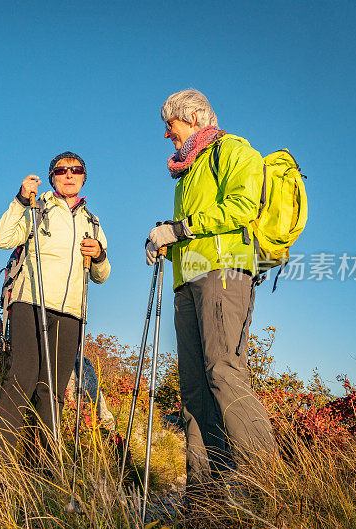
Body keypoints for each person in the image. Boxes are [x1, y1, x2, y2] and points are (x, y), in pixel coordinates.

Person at [145, 89, 277, 498]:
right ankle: (206, 501)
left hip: (223, 273)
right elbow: (194, 226)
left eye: (171, 124)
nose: (166, 134)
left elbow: (241, 206)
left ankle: (268, 487)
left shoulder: (233, 150)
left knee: (223, 372)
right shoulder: (188, 171)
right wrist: (168, 240)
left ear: (197, 116)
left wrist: (181, 229)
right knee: (194, 391)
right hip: (188, 281)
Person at [0, 151, 111, 460]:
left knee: (53, 389)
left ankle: (43, 468)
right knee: (22, 377)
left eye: (76, 169)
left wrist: (98, 255)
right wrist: (20, 199)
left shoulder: (93, 222)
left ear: (83, 176)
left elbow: (102, 276)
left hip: (71, 311)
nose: (69, 174)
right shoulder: (37, 208)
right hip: (31, 301)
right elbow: (1, 238)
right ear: (52, 177)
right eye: (61, 170)